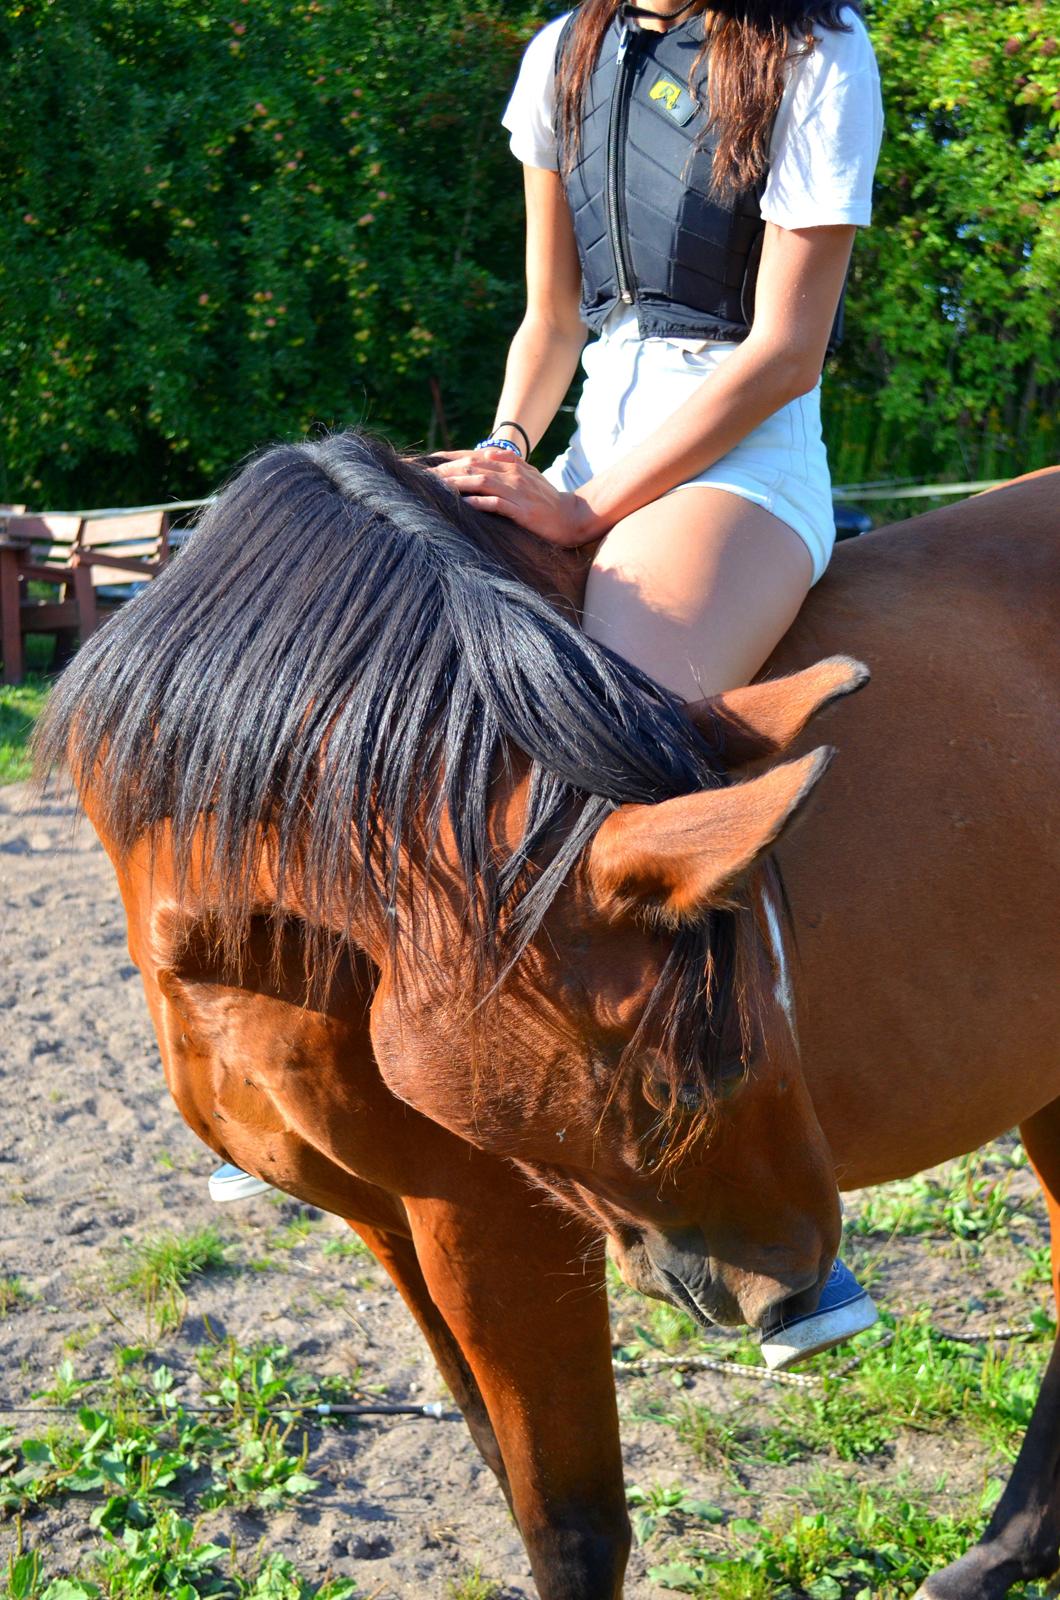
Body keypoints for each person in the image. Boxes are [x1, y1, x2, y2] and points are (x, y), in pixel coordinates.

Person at [423, 0, 884, 1366]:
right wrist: (508, 459)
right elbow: (550, 319)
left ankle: (763, 1203)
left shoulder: (811, 51)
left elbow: (785, 350)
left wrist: (586, 512)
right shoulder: (562, 51)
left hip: (741, 456)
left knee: (614, 738)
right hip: (584, 442)